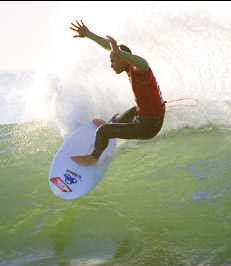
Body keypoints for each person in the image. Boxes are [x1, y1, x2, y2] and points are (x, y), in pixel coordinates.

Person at [70, 20, 166, 166]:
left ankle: (93, 158)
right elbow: (109, 48)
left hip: (149, 126)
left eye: (113, 61)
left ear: (122, 58)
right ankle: (111, 127)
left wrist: (119, 52)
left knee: (103, 131)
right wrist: (89, 35)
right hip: (142, 114)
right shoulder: (128, 66)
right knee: (114, 119)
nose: (111, 65)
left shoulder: (137, 70)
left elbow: (145, 64)